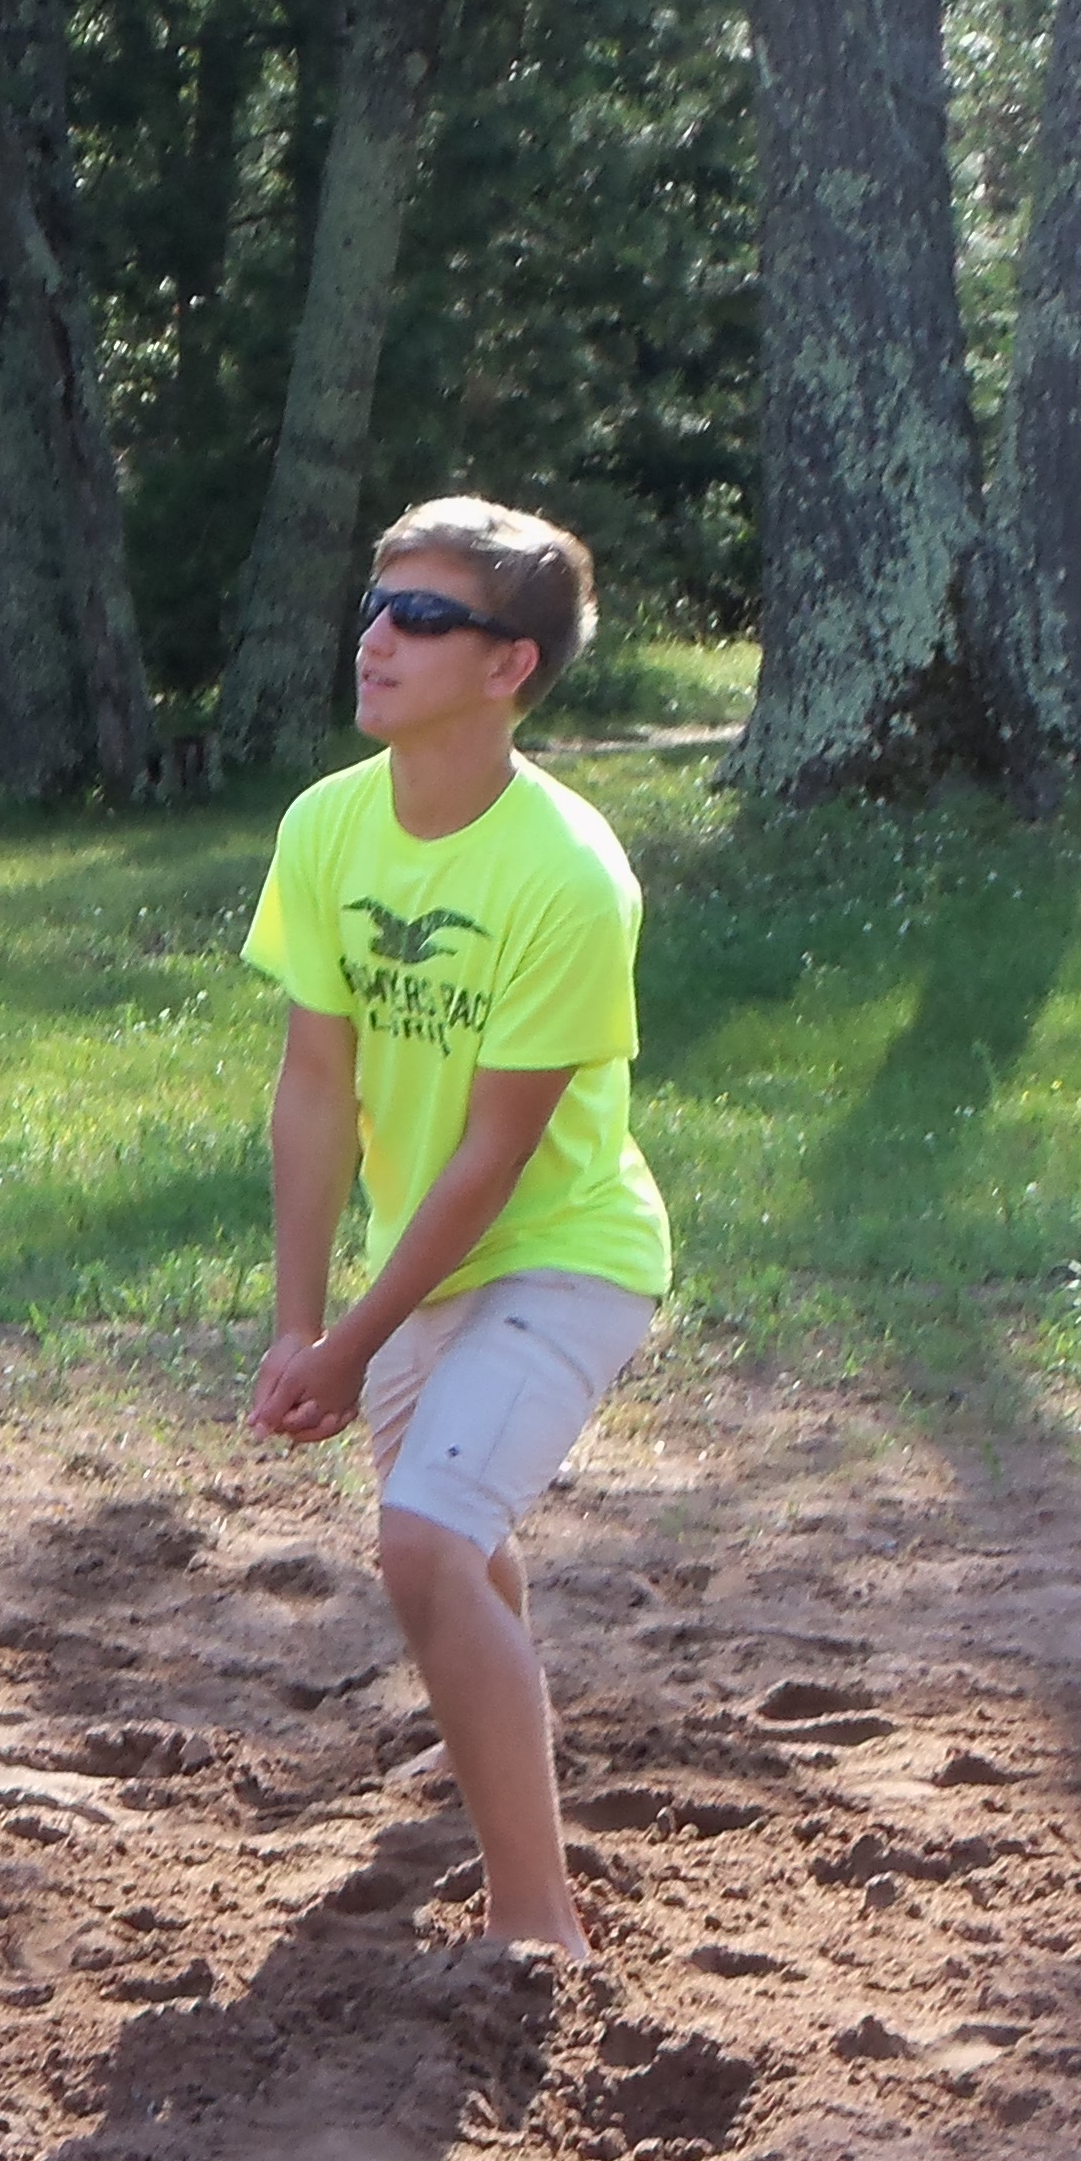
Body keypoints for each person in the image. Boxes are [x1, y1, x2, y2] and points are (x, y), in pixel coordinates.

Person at [242, 497, 673, 1964]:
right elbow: (316, 1090)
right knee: (456, 1553)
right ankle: (500, 1769)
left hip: (567, 1254)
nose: (378, 637)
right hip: (425, 1264)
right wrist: (301, 1323)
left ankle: (538, 1927)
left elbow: (496, 1157)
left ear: (510, 666)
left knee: (425, 1542)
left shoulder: (567, 873)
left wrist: (354, 1345)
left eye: (423, 617)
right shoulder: (327, 826)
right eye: (376, 605)